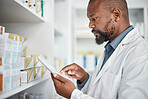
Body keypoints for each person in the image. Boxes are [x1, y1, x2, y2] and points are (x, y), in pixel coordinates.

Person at [51, 0, 148, 98]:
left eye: (94, 18)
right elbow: (103, 92)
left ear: (116, 15)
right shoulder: (111, 47)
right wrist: (85, 79)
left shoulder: (140, 53)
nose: (90, 25)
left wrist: (73, 95)